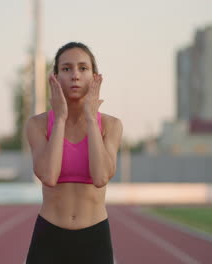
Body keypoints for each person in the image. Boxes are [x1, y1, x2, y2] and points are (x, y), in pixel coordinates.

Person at [25, 42, 123, 264]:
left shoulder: (111, 125)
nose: (75, 75)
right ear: (55, 78)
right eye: (67, 69)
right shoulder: (38, 124)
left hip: (94, 239)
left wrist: (91, 118)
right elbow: (49, 176)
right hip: (49, 237)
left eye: (83, 68)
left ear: (95, 78)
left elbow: (100, 177)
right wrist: (59, 118)